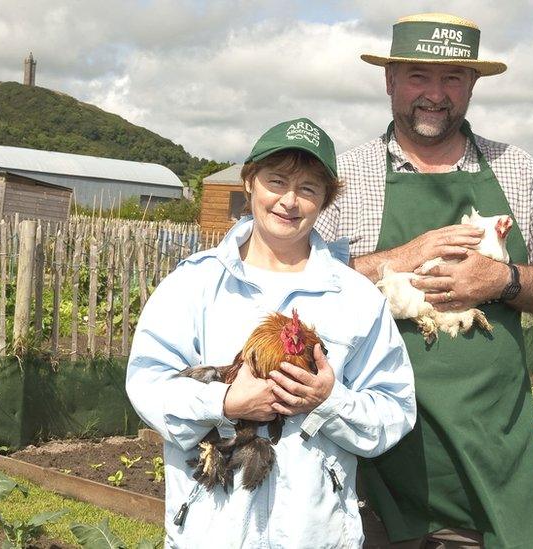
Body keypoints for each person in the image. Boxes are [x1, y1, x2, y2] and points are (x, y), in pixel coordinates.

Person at [315, 12, 533, 549]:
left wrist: (503, 280)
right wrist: (404, 256)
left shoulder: (517, 169)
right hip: (373, 449)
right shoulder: (347, 178)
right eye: (418, 76)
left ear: (473, 85)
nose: (435, 94)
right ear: (390, 80)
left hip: (490, 446)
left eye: (453, 78)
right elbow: (302, 282)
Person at [126, 118, 416, 548]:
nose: (289, 201)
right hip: (211, 529)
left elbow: (396, 410)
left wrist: (329, 401)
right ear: (250, 183)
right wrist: (224, 402)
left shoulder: (356, 296)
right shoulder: (193, 283)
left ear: (324, 201)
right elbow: (146, 384)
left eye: (308, 189)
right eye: (276, 181)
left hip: (313, 534)